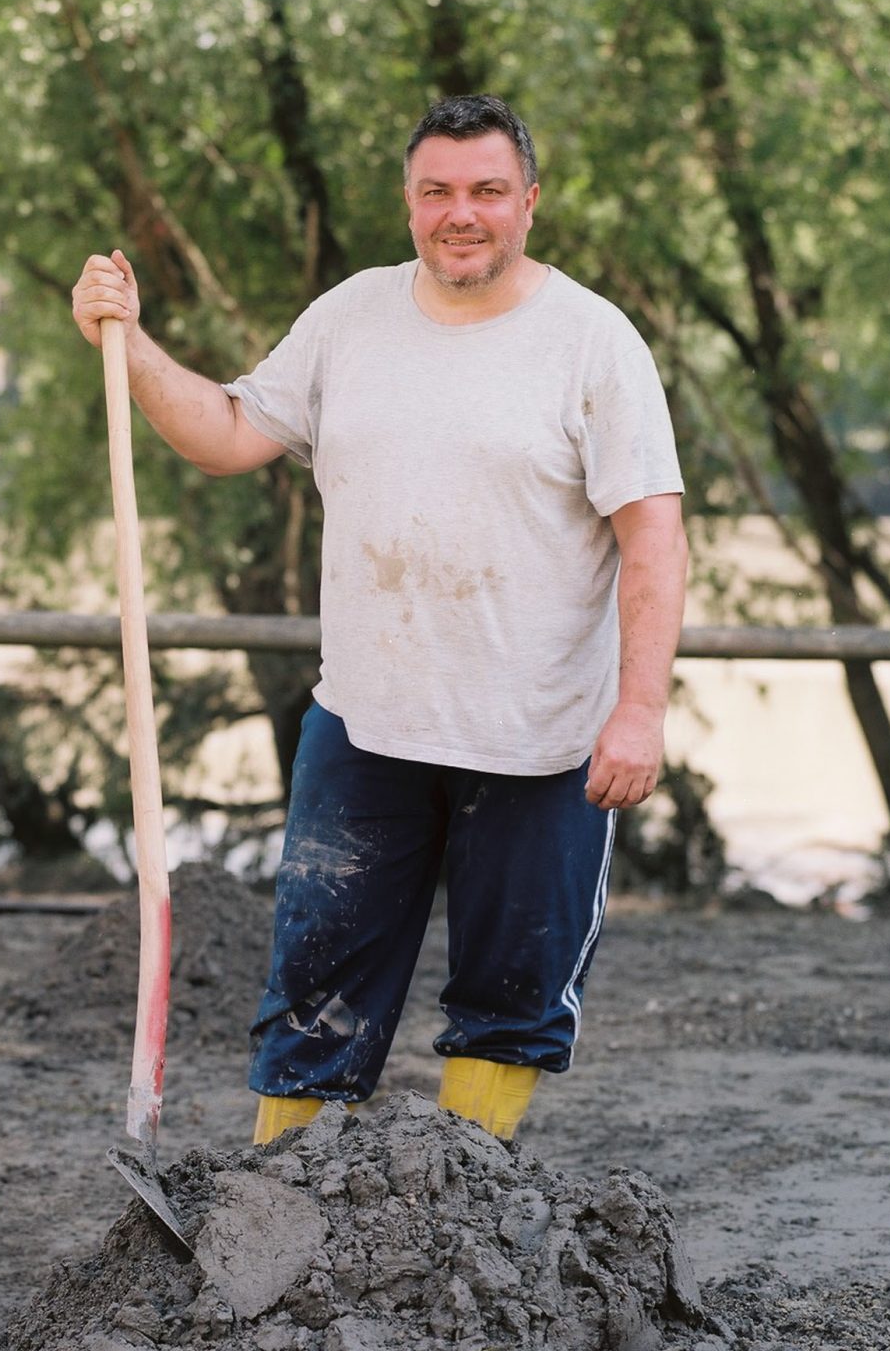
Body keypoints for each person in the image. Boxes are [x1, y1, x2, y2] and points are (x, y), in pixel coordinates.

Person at [71, 94, 686, 1146]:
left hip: (541, 738)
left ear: (528, 203)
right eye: (437, 191)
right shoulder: (349, 318)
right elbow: (226, 435)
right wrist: (124, 346)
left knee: (513, 995)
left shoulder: (592, 342)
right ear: (408, 202)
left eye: (487, 190)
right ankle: (279, 1201)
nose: (462, 213)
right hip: (366, 724)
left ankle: (466, 1202)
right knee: (314, 990)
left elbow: (654, 537)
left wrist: (640, 708)